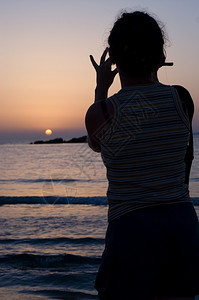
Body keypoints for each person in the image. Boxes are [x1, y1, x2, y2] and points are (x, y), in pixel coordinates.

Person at [85, 11, 199, 300]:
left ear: (114, 57)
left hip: (132, 229)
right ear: (159, 53)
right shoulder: (182, 99)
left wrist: (101, 87)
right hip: (182, 225)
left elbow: (98, 145)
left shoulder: (102, 112)